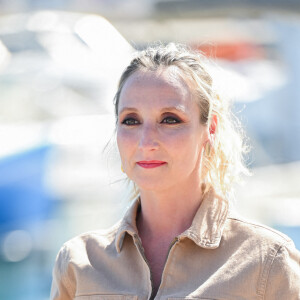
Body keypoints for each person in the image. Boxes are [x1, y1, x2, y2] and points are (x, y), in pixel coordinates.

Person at [50, 43, 300, 300]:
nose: (146, 142)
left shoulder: (268, 262)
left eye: (170, 119)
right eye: (131, 120)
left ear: (210, 130)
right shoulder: (78, 262)